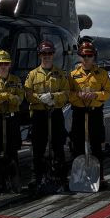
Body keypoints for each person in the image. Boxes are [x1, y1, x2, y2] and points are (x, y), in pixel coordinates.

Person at [24, 40, 70, 190]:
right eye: (44, 53)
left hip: (55, 113)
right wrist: (40, 98)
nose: (47, 56)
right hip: (38, 114)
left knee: (58, 146)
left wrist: (53, 97)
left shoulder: (60, 74)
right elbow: (28, 94)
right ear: (39, 55)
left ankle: (61, 177)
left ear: (53, 55)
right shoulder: (32, 75)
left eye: (49, 53)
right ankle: (37, 177)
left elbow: (66, 93)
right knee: (37, 147)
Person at [69, 41, 110, 188]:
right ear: (79, 56)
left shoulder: (102, 74)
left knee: (96, 145)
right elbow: (68, 94)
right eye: (83, 55)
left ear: (94, 57)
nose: (86, 58)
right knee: (77, 145)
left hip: (95, 113)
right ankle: (79, 177)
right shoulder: (73, 75)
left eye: (89, 55)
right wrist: (78, 96)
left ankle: (99, 177)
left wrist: (95, 95)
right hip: (79, 113)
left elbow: (108, 93)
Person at [0, 50, 24, 193]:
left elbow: (19, 99)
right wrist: (8, 95)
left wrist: (2, 96)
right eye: (0, 64)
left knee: (12, 149)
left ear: (10, 65)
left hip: (11, 118)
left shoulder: (16, 80)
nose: (3, 66)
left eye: (6, 63)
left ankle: (13, 178)